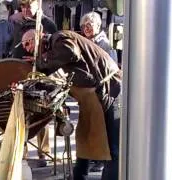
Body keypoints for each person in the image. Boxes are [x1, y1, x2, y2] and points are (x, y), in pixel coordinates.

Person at [21, 29, 122, 180]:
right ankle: (79, 176)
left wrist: (41, 61)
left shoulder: (59, 38)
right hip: (95, 96)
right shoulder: (54, 51)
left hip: (109, 90)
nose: (28, 48)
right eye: (25, 46)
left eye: (29, 43)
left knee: (111, 148)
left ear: (39, 35)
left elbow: (70, 52)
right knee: (85, 138)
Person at [9, 0, 57, 167]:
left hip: (41, 75)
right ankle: (22, 154)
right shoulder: (19, 23)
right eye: (22, 7)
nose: (25, 10)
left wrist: (40, 60)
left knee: (41, 114)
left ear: (38, 5)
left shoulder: (47, 24)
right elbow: (14, 48)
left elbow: (54, 53)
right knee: (21, 113)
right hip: (20, 75)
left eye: (29, 6)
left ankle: (43, 153)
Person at [80, 11, 118, 172]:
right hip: (95, 93)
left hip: (107, 93)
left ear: (97, 25)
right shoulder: (89, 42)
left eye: (89, 25)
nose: (86, 29)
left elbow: (108, 70)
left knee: (105, 129)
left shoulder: (104, 44)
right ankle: (95, 159)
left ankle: (103, 161)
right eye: (84, 26)